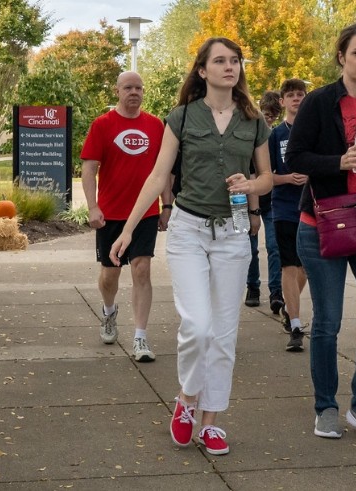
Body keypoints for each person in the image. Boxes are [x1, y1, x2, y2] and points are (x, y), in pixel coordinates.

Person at [109, 38, 273, 457]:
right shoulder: (181, 116)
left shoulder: (253, 120)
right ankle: (186, 399)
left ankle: (211, 420)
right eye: (220, 60)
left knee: (224, 333)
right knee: (198, 326)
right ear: (202, 70)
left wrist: (251, 185)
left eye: (235, 60)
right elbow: (157, 176)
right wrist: (128, 230)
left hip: (233, 232)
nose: (229, 67)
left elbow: (267, 178)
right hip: (189, 230)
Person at [286, 22, 356, 447]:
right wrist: (338, 161)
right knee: (328, 322)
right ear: (341, 57)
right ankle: (326, 407)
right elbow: (296, 157)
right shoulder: (319, 102)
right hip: (323, 226)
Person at [80, 70, 169, 363]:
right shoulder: (102, 125)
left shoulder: (156, 126)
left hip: (145, 213)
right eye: (128, 88)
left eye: (139, 88)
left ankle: (140, 337)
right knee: (110, 274)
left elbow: (164, 171)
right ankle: (109, 311)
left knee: (142, 269)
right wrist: (93, 207)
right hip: (111, 214)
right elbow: (89, 168)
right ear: (117, 91)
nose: (134, 92)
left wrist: (166, 205)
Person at [269, 79, 310, 351]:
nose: (296, 99)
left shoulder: (314, 131)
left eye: (300, 94)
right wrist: (286, 178)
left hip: (311, 207)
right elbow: (265, 175)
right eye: (291, 95)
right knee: (288, 266)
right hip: (283, 207)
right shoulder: (275, 135)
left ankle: (288, 306)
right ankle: (295, 325)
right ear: (282, 101)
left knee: (306, 267)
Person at [244, 91, 284, 313]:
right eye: (267, 114)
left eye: (273, 115)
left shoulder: (275, 136)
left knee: (274, 246)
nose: (269, 119)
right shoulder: (251, 133)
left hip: (272, 199)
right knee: (250, 247)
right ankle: (253, 286)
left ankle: (276, 290)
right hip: (251, 198)